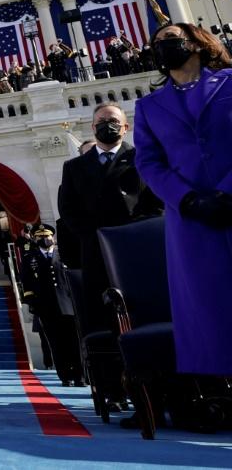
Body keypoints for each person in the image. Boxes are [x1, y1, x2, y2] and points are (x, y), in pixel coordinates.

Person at [134, 22, 232, 375]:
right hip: (191, 218)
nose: (162, 46)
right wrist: (187, 199)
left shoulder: (230, 82)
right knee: (209, 304)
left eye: (170, 39)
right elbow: (148, 162)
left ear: (195, 43)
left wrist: (227, 192)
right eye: (156, 43)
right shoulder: (148, 107)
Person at [57, 102, 161, 333]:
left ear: (126, 127)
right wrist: (93, 234)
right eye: (102, 121)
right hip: (96, 250)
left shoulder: (141, 158)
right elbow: (68, 209)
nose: (108, 125)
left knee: (144, 311)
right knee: (103, 318)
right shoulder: (74, 166)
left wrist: (135, 231)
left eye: (113, 121)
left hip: (136, 247)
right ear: (93, 127)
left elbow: (156, 202)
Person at [20, 224, 83, 386]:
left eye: (48, 236)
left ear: (53, 237)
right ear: (35, 238)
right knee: (56, 343)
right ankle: (65, 376)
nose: (45, 240)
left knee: (74, 341)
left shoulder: (64, 254)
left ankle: (79, 375)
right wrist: (32, 303)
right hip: (46, 307)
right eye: (41, 237)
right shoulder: (29, 258)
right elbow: (26, 282)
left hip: (68, 305)